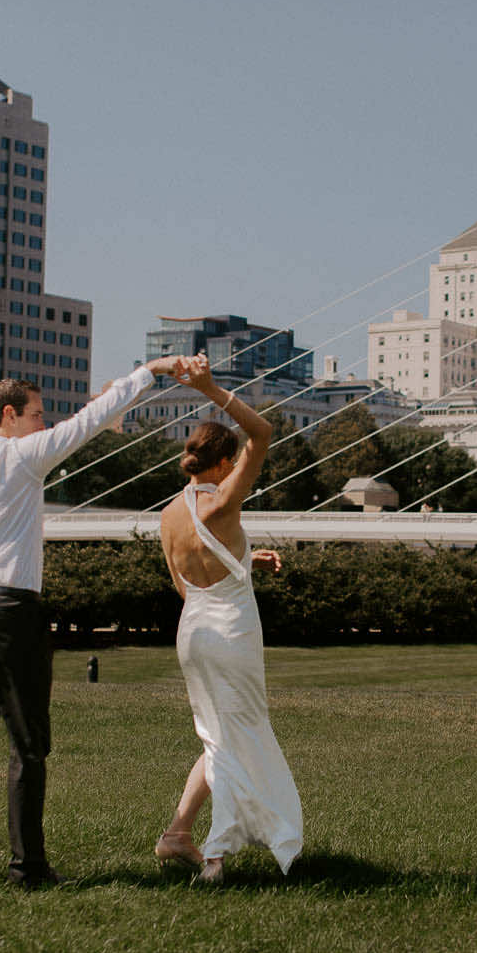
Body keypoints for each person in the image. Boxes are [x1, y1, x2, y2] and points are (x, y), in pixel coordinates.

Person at [0, 356, 188, 888]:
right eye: (37, 414)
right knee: (28, 744)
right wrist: (152, 370)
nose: (45, 424)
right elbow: (89, 423)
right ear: (9, 415)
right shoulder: (19, 458)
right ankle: (27, 867)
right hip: (9, 610)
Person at [154, 355, 302, 885]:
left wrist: (244, 562)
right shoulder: (222, 502)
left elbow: (190, 582)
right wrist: (213, 388)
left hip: (192, 632)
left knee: (219, 739)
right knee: (238, 738)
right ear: (221, 464)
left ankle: (178, 833)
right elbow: (263, 434)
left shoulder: (170, 514)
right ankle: (214, 858)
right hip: (231, 636)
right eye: (234, 462)